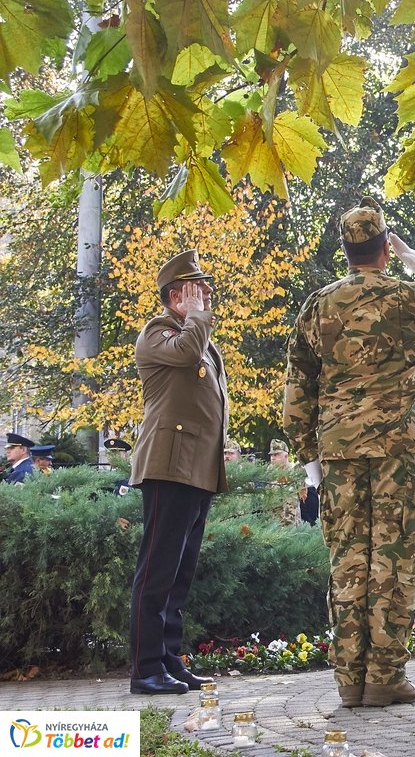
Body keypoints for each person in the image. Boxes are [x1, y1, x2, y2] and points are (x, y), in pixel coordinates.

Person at [283, 197, 415, 708]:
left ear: (345, 251)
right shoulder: (410, 297)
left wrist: (310, 462)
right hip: (399, 453)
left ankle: (350, 680)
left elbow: (297, 391)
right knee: (394, 562)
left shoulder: (318, 305)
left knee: (348, 562)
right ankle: (384, 677)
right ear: (385, 249)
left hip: (338, 455)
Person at [127, 249, 225, 695]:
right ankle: (145, 669)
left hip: (196, 469)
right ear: (175, 296)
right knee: (157, 572)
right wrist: (196, 318)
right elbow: (186, 356)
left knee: (179, 574)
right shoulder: (158, 332)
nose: (207, 294)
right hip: (169, 467)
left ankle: (168, 659)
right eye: (197, 289)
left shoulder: (196, 336)